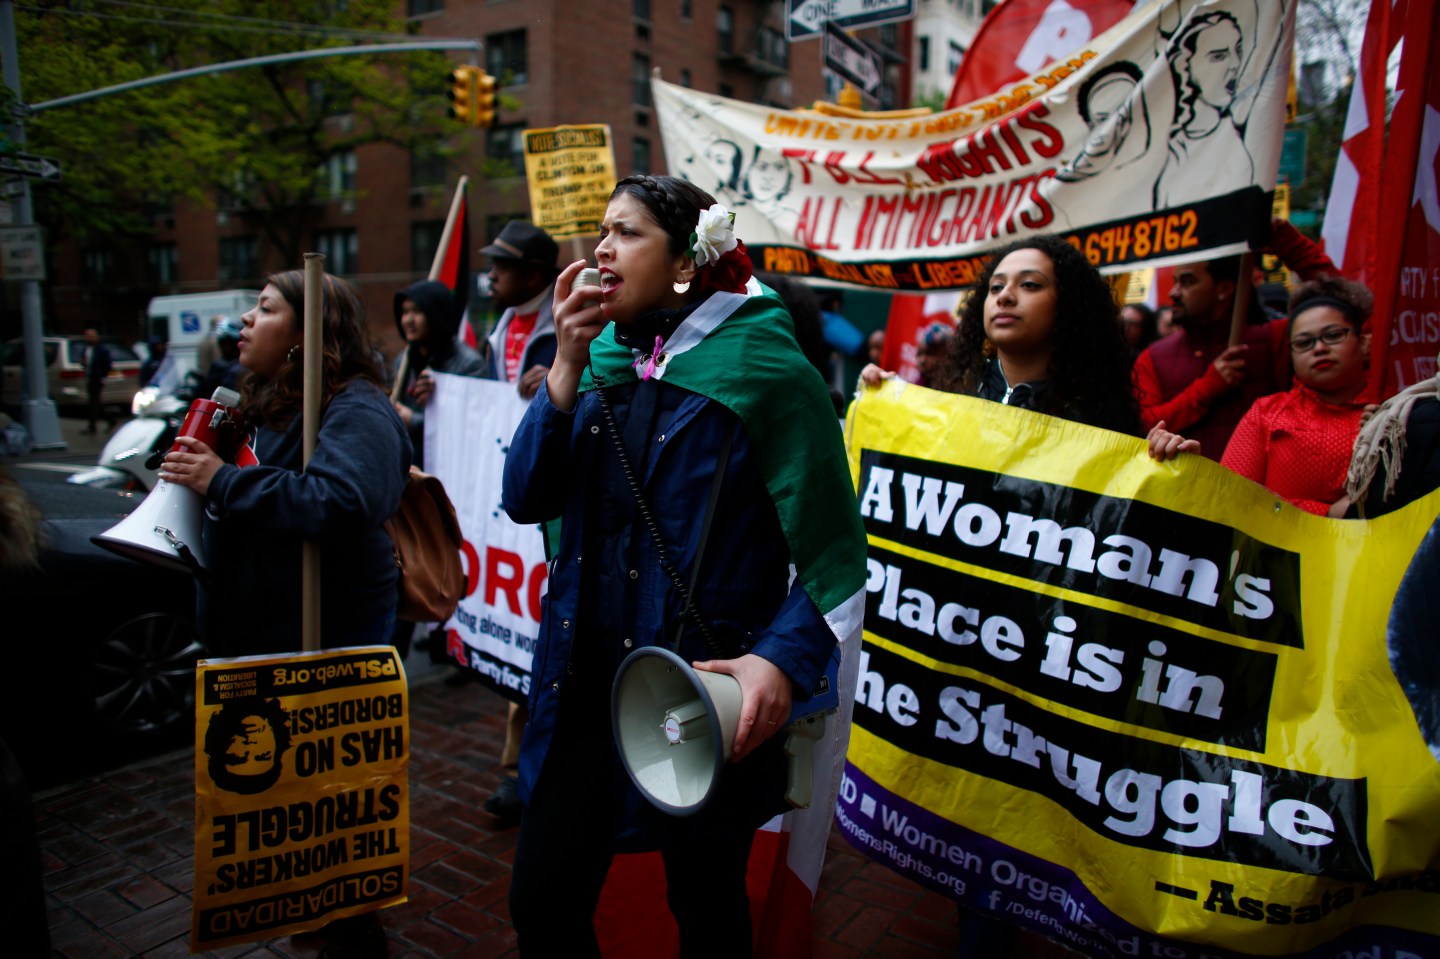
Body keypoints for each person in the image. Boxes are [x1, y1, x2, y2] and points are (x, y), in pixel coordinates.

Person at [502, 174, 864, 957]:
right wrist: (562, 370)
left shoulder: (770, 371)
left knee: (705, 907)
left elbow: (833, 551)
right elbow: (524, 496)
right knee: (540, 902)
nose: (601, 249)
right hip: (582, 688)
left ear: (684, 263)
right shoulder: (594, 360)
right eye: (602, 231)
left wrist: (778, 659)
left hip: (698, 694)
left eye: (626, 232)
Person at [159, 269, 407, 958]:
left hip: (322, 647)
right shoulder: (268, 405)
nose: (245, 320)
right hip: (264, 637)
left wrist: (223, 481)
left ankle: (352, 935)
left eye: (265, 308)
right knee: (287, 825)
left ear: (306, 335)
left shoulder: (356, 408)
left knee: (331, 821)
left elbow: (343, 500)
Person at [477, 220, 561, 826]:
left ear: (533, 275)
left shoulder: (570, 324)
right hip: (507, 497)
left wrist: (560, 376)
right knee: (517, 624)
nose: (491, 275)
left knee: (540, 628)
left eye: (501, 266)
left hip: (549, 509)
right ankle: (519, 764)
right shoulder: (499, 327)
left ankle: (527, 769)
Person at [1210, 277, 1374, 515]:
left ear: (1365, 343)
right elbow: (1230, 496)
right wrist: (1326, 513)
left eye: (1333, 335)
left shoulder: (1394, 414)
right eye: (1304, 342)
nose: (1319, 348)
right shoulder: (1266, 414)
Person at [1132, 253, 1287, 459]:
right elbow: (1144, 424)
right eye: (1175, 282)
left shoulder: (1274, 338)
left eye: (1187, 282)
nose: (1174, 292)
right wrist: (1207, 388)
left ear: (1224, 288)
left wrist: (1284, 242)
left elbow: (1329, 292)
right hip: (1187, 479)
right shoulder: (1153, 356)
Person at [391, 279, 490, 471]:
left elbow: (472, 424)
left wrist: (414, 421)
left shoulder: (470, 364)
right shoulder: (402, 362)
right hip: (409, 467)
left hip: (450, 468)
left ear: (435, 314)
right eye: (405, 312)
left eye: (417, 311)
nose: (408, 320)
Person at [197, 317, 243, 399]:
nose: (223, 347)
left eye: (227, 343)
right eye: (221, 343)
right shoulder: (218, 365)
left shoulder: (243, 366)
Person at [81, 328, 114, 435]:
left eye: (92, 336)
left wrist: (102, 376)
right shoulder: (86, 348)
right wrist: (83, 365)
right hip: (90, 377)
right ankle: (110, 421)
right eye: (87, 336)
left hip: (97, 378)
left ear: (96, 337)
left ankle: (93, 427)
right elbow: (85, 361)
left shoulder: (102, 350)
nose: (89, 338)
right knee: (95, 403)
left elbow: (108, 365)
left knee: (94, 403)